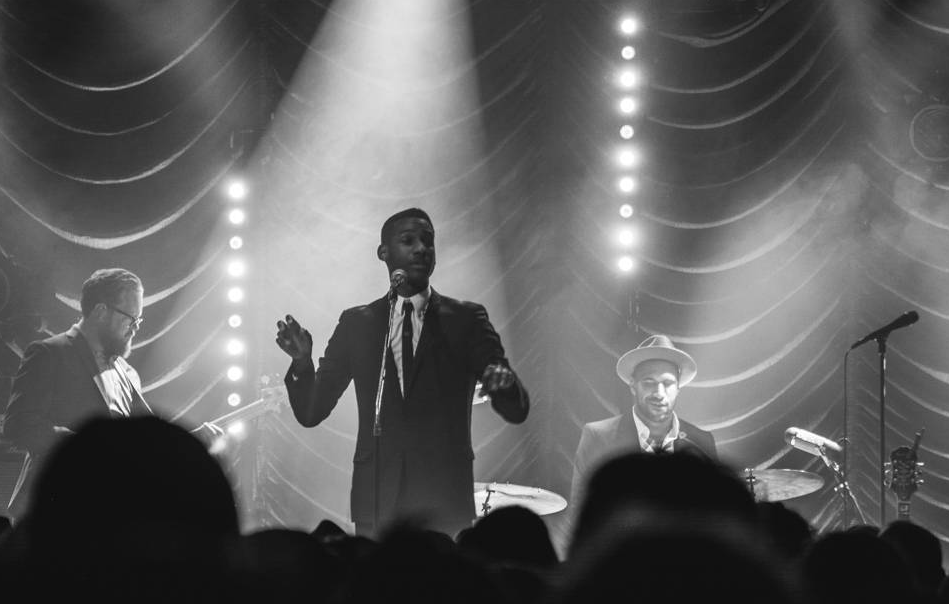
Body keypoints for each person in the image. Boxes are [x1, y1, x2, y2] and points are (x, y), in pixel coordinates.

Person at [274, 208, 530, 537]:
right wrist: (302, 362)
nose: (421, 248)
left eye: (428, 241)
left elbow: (516, 409)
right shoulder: (358, 323)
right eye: (408, 240)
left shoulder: (465, 319)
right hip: (376, 500)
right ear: (384, 252)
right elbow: (312, 412)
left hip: (444, 501)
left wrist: (503, 384)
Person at [3, 268, 153, 510]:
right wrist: (87, 447)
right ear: (101, 311)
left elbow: (147, 440)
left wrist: (194, 439)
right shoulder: (49, 353)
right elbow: (19, 425)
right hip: (59, 507)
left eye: (139, 320)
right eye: (130, 318)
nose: (135, 328)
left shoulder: (126, 373)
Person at [570, 335, 717, 508]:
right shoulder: (598, 436)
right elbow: (581, 510)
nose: (659, 393)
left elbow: (715, 509)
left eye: (668, 383)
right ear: (633, 386)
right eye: (649, 382)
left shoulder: (702, 441)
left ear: (678, 387)